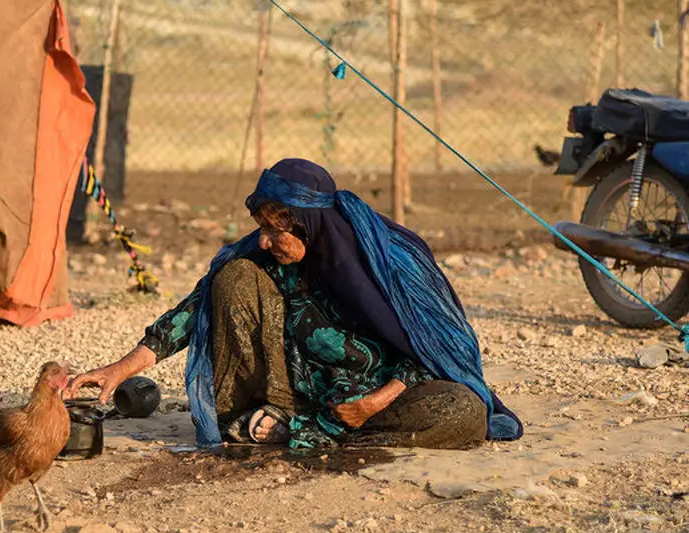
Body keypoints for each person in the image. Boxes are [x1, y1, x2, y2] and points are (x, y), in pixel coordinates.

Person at [69, 158, 523, 450]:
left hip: (378, 395)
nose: (264, 241)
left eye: (275, 230)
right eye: (260, 227)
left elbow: (437, 352)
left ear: (306, 221)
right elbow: (193, 309)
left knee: (464, 410)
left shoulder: (392, 260)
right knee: (233, 276)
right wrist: (120, 370)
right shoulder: (266, 254)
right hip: (291, 390)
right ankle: (284, 421)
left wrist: (372, 403)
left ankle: (306, 434)